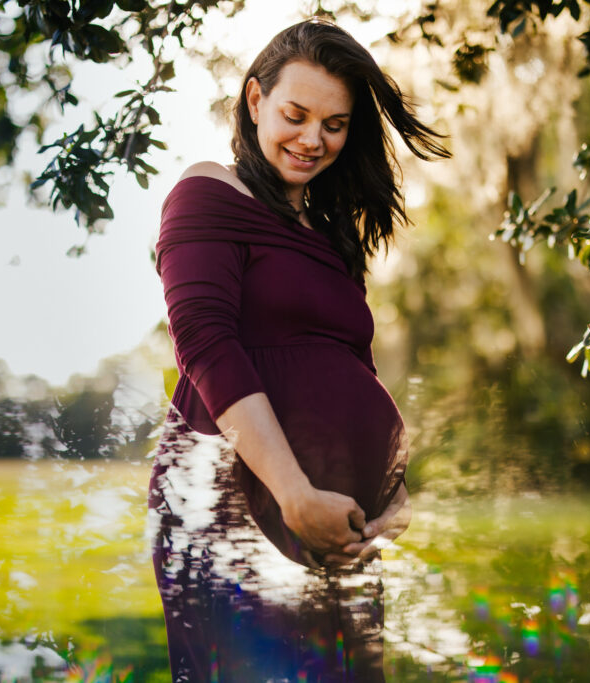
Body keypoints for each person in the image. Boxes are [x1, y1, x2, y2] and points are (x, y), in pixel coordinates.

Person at [148, 18, 449, 681]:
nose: (314, 139)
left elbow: (352, 372)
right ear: (255, 101)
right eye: (296, 114)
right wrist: (292, 493)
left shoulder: (330, 234)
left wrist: (391, 492)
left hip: (336, 525)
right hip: (238, 506)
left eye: (335, 124)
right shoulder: (207, 192)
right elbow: (204, 342)